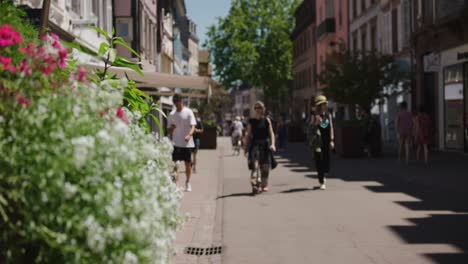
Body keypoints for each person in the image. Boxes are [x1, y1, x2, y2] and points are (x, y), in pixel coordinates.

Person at [243, 101, 276, 194]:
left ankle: (264, 184)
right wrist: (245, 148)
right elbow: (248, 135)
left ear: (263, 109)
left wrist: (273, 144)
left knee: (265, 167)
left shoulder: (266, 120)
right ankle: (255, 184)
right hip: (255, 145)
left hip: (265, 145)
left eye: (260, 108)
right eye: (257, 108)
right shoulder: (252, 121)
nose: (258, 110)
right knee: (255, 165)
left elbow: (271, 133)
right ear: (255, 110)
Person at [168, 94, 196, 192]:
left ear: (182, 101)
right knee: (175, 165)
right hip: (176, 143)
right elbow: (169, 130)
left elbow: (193, 126)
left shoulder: (189, 112)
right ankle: (175, 185)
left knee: (188, 165)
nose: (177, 106)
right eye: (175, 104)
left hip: (187, 144)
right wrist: (172, 128)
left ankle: (188, 182)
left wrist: (189, 135)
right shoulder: (172, 114)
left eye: (178, 103)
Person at [311, 95, 334, 190]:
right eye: (321, 104)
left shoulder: (328, 115)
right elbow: (310, 128)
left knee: (326, 161)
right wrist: (316, 123)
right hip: (317, 141)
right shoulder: (315, 116)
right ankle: (321, 181)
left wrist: (332, 140)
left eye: (324, 104)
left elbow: (331, 128)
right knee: (319, 161)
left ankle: (323, 174)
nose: (324, 105)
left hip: (326, 140)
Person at [192, 109, 204, 173]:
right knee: (190, 154)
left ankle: (194, 167)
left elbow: (202, 130)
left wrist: (196, 130)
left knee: (194, 154)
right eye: (193, 113)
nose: (194, 114)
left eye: (195, 113)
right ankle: (191, 165)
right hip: (190, 139)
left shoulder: (198, 121)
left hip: (196, 139)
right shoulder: (189, 120)